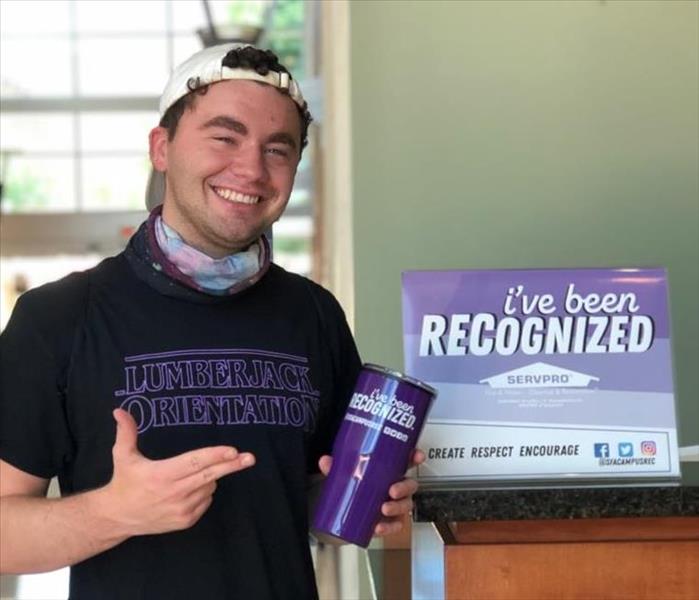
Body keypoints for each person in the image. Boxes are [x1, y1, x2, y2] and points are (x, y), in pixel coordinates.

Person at [0, 45, 421, 599]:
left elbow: (310, 509)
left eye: (278, 149)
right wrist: (115, 512)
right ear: (162, 147)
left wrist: (366, 502)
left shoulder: (313, 314)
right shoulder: (58, 316)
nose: (250, 169)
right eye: (225, 137)